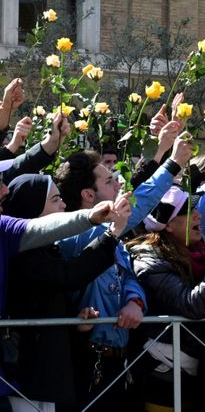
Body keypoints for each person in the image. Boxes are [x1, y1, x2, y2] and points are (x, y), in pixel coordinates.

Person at [54, 133, 194, 412]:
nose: (118, 182)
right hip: (86, 362)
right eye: (108, 181)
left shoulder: (113, 238)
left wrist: (134, 300)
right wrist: (173, 163)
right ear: (88, 195)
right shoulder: (75, 234)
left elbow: (127, 275)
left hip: (119, 360)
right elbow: (137, 206)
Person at [3, 175, 132, 412]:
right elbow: (68, 275)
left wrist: (77, 321)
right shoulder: (23, 256)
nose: (63, 205)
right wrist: (111, 235)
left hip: (42, 374)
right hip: (22, 374)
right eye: (55, 200)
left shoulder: (45, 249)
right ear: (33, 210)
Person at [128, 186, 205, 411]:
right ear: (168, 224)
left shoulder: (197, 251)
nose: (199, 215)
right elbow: (192, 305)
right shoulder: (149, 259)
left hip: (194, 365)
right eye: (189, 211)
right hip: (162, 369)